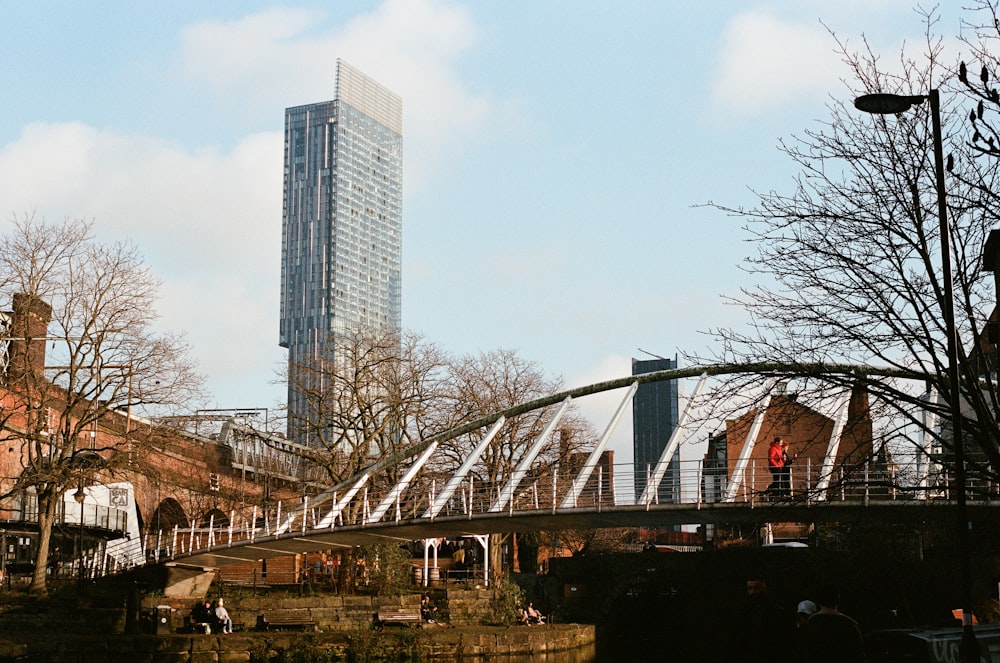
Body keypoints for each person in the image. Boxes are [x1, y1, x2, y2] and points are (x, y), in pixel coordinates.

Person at [729, 573, 794, 663]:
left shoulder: (774, 610)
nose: (753, 592)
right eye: (750, 588)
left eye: (756, 588)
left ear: (763, 588)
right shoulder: (743, 610)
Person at [803, 584, 865, 662]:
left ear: (819, 602)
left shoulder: (809, 625)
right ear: (837, 600)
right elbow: (859, 656)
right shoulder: (850, 625)